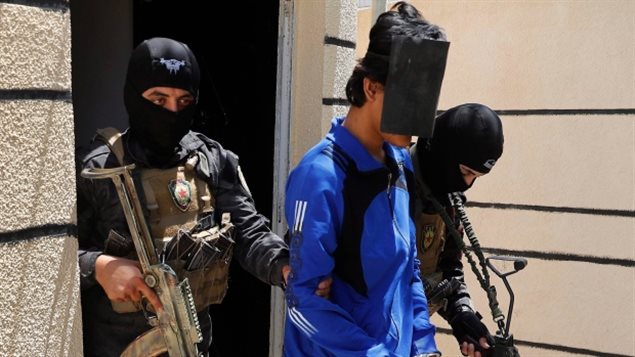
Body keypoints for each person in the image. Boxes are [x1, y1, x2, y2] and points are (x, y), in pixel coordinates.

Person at [76, 37, 297, 356]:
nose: (171, 113)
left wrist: (284, 266)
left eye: (183, 102)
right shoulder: (96, 169)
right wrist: (99, 265)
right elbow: (52, 257)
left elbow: (249, 233)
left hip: (192, 347)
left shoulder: (210, 161)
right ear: (133, 96)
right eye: (158, 99)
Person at [283, 3, 447, 356]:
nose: (419, 119)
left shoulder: (399, 162)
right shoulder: (321, 176)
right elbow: (303, 303)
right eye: (410, 100)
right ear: (371, 88)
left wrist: (424, 346)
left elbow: (409, 270)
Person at [410, 103, 504, 357]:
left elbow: (449, 268)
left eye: (475, 177)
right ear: (443, 154)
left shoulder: (446, 197)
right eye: (465, 172)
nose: (467, 184)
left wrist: (463, 316)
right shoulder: (394, 184)